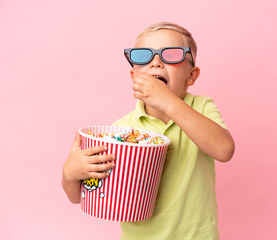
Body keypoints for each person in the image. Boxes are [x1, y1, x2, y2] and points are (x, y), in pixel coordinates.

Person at [62, 22, 235, 240]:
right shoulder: (121, 130)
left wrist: (168, 102)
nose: (156, 62)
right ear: (134, 78)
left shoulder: (201, 108)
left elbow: (224, 149)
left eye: (171, 55)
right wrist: (70, 174)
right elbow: (82, 197)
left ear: (191, 76)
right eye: (143, 56)